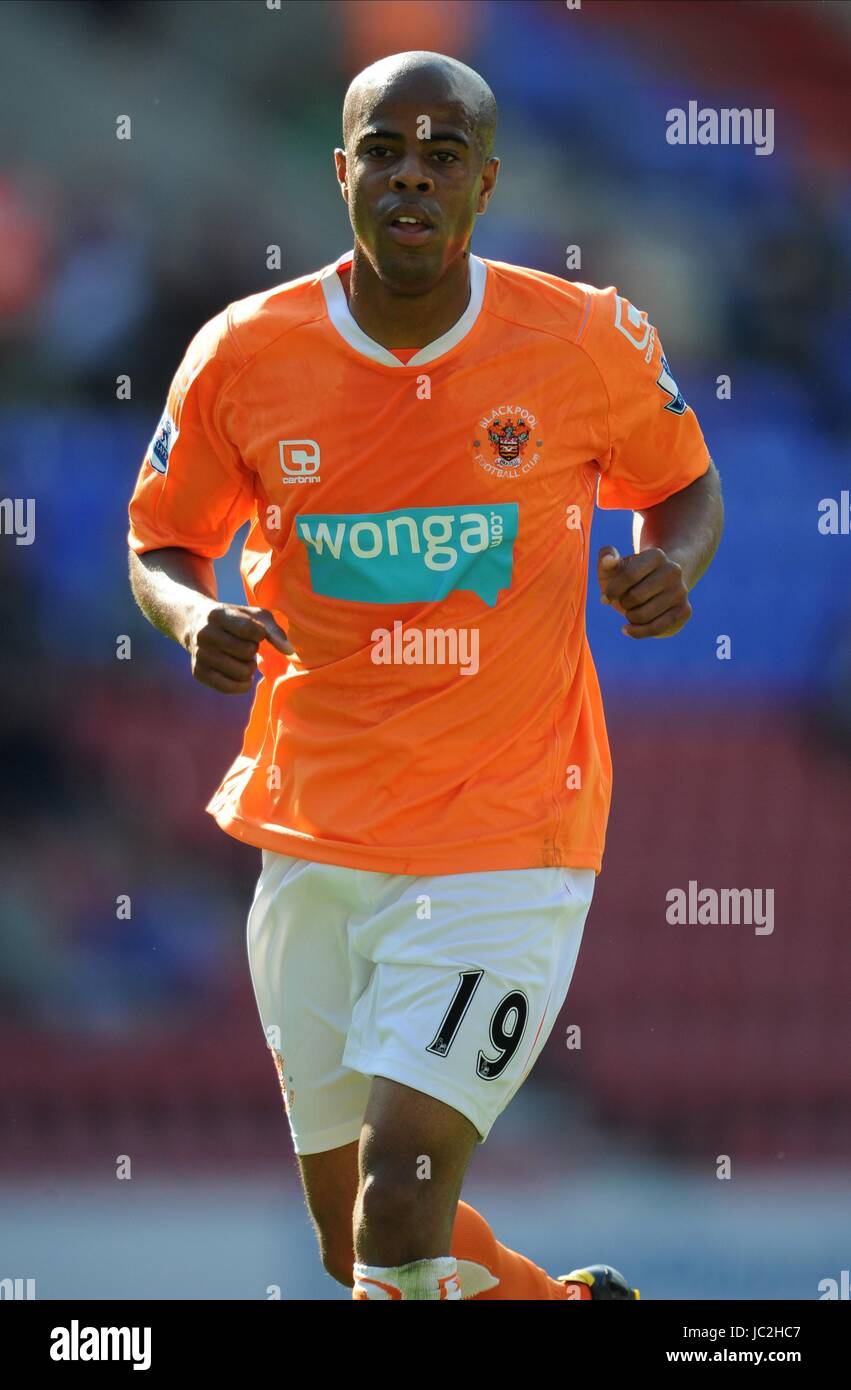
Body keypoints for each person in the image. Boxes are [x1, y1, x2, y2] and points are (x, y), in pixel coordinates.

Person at [128, 50, 723, 1301]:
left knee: (401, 1188)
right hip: (314, 827)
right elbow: (160, 536)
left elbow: (680, 485)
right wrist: (190, 616)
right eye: (384, 151)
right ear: (341, 172)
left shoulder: (577, 340)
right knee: (363, 1244)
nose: (411, 176)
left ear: (484, 184)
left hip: (507, 833)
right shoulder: (244, 354)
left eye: (441, 155)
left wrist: (668, 567)